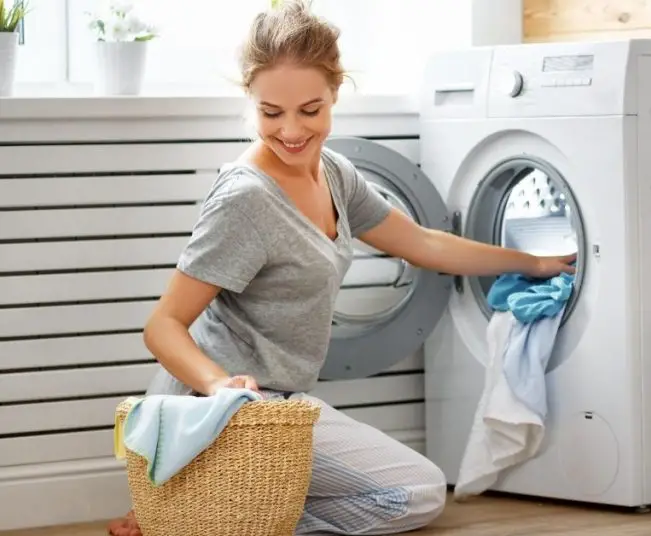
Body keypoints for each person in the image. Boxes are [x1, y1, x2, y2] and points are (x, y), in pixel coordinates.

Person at [106, 2, 575, 535]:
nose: (289, 131)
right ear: (250, 101)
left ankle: (204, 520)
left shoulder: (333, 173)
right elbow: (162, 325)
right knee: (417, 494)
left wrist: (533, 260)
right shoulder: (245, 200)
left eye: (310, 110)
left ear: (335, 92)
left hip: (283, 406)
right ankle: (203, 515)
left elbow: (422, 243)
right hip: (221, 410)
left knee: (414, 491)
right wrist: (220, 387)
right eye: (270, 112)